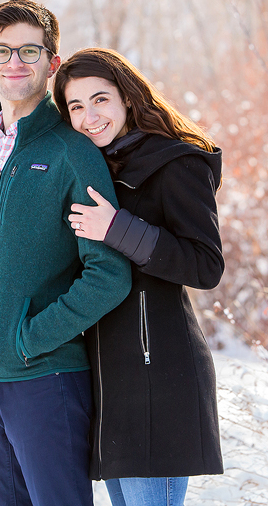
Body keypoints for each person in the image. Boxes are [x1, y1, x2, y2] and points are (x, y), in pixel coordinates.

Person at [0, 2, 132, 506]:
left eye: (29, 50)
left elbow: (108, 273)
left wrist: (29, 339)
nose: (14, 60)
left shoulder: (72, 152)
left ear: (52, 62)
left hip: (43, 378)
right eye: (2, 50)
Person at [53, 47, 224, 506]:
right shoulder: (96, 170)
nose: (89, 116)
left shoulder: (176, 162)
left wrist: (117, 229)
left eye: (100, 99)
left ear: (127, 97)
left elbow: (206, 265)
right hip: (111, 384)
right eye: (76, 106)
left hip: (160, 373)